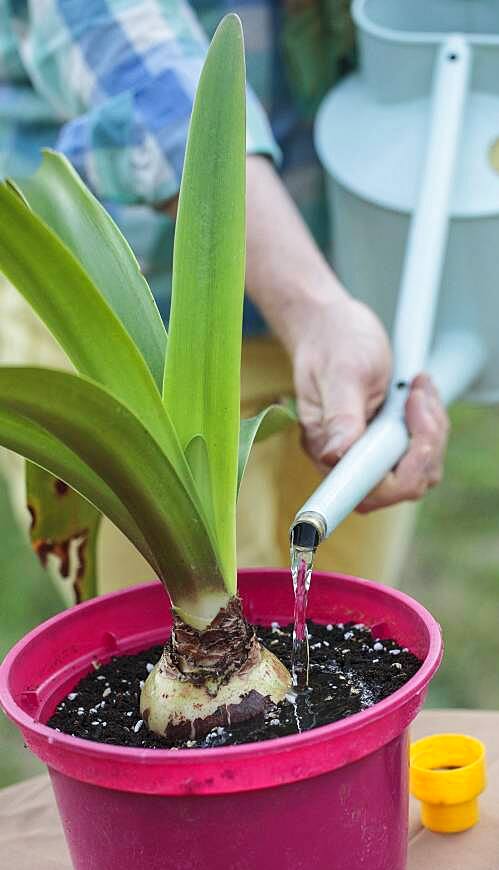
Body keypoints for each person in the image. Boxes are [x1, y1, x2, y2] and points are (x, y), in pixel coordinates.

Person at [0, 1, 448, 594]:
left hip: (355, 315)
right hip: (127, 341)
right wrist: (313, 309)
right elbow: (137, 61)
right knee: (156, 638)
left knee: (353, 613)